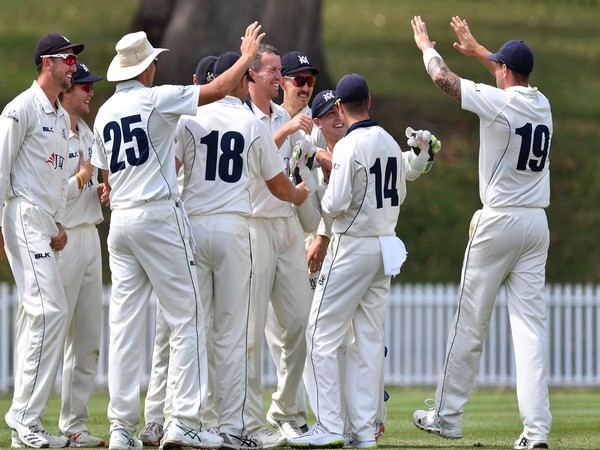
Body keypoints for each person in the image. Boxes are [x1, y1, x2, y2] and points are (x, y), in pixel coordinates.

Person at [91, 24, 264, 450]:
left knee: (125, 326)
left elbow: (107, 175)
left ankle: (120, 429)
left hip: (121, 223)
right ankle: (184, 421)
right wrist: (245, 58)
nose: (157, 67)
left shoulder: (104, 113)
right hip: (157, 216)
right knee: (187, 317)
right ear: (147, 67)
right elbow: (218, 89)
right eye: (154, 62)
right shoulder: (155, 98)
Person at [410, 16, 552, 450]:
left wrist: (426, 49)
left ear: (505, 72)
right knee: (530, 332)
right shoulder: (542, 102)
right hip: (536, 226)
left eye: (497, 65)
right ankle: (536, 433)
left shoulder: (500, 103)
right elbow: (507, 77)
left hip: (499, 224)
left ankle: (447, 417)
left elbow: (444, 80)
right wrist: (478, 51)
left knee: (470, 323)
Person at [289, 73, 439, 449]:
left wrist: (310, 174)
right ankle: (364, 431)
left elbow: (333, 205)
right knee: (369, 340)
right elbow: (400, 192)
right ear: (369, 101)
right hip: (385, 246)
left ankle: (330, 426)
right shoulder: (389, 141)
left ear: (340, 106)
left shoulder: (348, 146)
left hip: (352, 246)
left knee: (319, 334)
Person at [174, 50, 309, 450]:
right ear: (241, 79)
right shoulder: (250, 123)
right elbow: (279, 186)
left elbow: (171, 169)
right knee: (233, 332)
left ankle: (187, 422)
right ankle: (233, 427)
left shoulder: (189, 117)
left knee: (193, 328)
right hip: (236, 228)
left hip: (194, 226)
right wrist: (301, 195)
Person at [1, 32, 84, 449]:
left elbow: (50, 181)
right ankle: (23, 416)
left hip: (42, 221)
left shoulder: (55, 114)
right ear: (47, 63)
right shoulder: (21, 109)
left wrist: (57, 226)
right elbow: (2, 167)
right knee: (51, 310)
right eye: (68, 59)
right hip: (20, 215)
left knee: (41, 315)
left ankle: (24, 427)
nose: (73, 66)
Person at [138, 54, 219, 448]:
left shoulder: (178, 118)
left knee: (175, 330)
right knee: (180, 328)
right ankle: (168, 419)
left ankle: (165, 418)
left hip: (178, 226)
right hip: (173, 227)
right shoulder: (180, 117)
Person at [243, 43, 314, 447]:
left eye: (279, 71)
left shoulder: (285, 115)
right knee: (251, 331)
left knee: (300, 324)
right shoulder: (244, 115)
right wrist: (287, 129)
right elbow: (257, 163)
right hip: (253, 225)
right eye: (271, 70)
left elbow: (295, 165)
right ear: (252, 74)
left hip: (285, 225)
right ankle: (251, 422)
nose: (279, 77)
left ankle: (285, 410)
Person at [52, 61, 107, 448]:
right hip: (61, 240)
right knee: (51, 336)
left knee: (88, 339)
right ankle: (30, 421)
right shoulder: (51, 132)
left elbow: (93, 180)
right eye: (83, 87)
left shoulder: (89, 133)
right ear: (66, 92)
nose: (89, 92)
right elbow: (49, 190)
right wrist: (82, 178)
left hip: (90, 237)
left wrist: (100, 190)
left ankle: (75, 424)